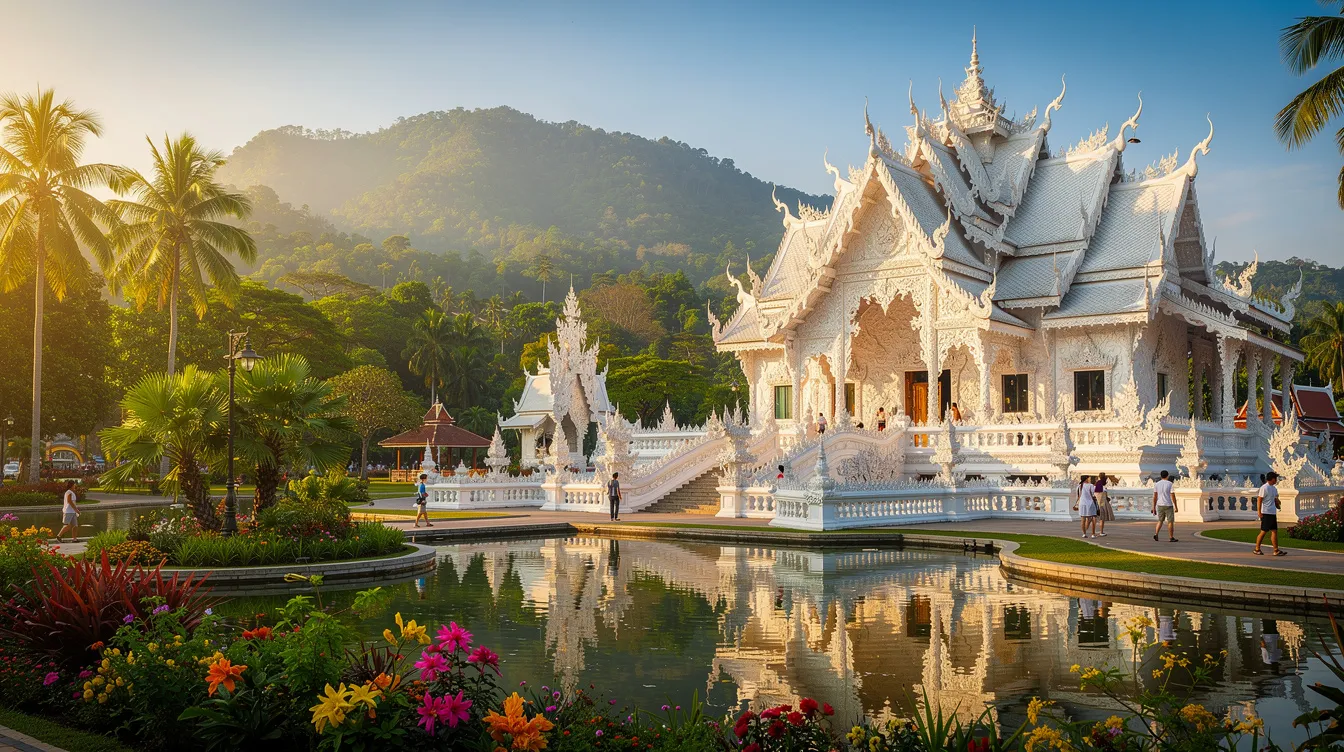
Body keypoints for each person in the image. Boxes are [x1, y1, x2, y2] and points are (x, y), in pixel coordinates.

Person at [1255, 471, 1284, 556]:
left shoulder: (1274, 488)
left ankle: (1276, 550)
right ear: (1272, 479)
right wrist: (1259, 512)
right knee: (1263, 531)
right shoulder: (1264, 488)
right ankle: (1257, 549)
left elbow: (1275, 499)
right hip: (1266, 512)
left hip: (1272, 512)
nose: (1276, 480)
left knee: (1274, 531)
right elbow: (1259, 500)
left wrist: (1278, 503)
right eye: (1276, 478)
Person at [1151, 469, 1178, 542]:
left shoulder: (1157, 484)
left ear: (1161, 476)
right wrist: (1176, 506)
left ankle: (1156, 534)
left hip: (1160, 504)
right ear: (1167, 475)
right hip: (1168, 504)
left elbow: (1155, 497)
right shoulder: (1170, 484)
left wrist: (1153, 508)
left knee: (1160, 521)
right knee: (1170, 522)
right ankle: (1171, 537)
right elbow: (1173, 495)